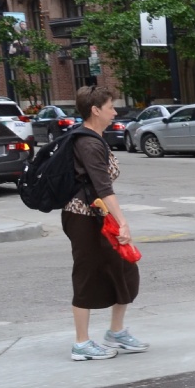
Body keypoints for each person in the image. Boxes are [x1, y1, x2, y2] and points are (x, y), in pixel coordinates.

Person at [63, 85, 141, 362]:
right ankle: (81, 343)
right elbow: (103, 187)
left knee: (124, 268)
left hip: (98, 215)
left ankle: (116, 332)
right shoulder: (88, 143)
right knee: (86, 274)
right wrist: (123, 223)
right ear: (95, 110)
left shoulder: (95, 138)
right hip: (83, 218)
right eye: (110, 107)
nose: (114, 111)